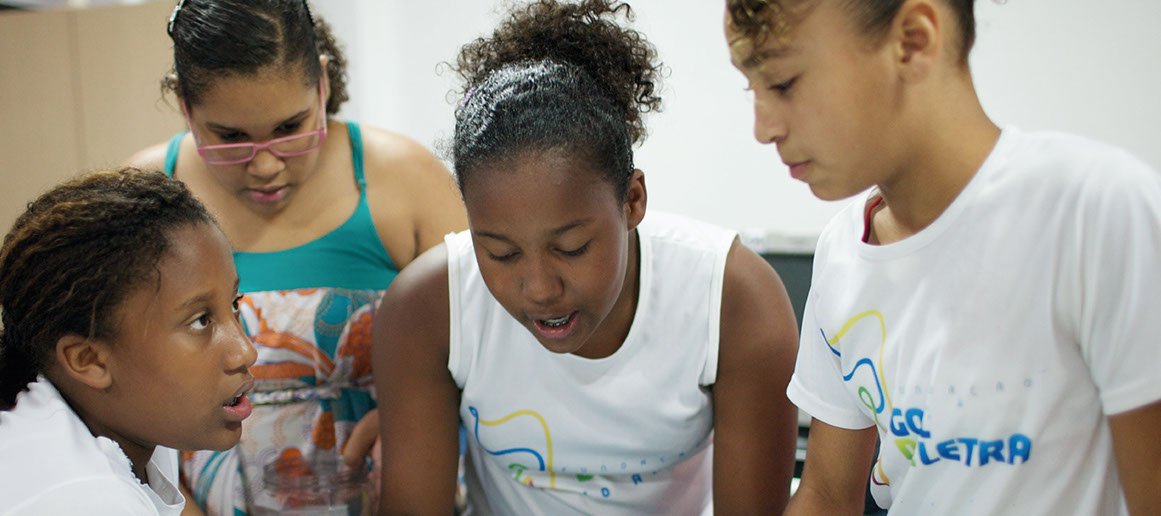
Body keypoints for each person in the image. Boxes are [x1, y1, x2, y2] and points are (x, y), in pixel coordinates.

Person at [725, 1, 1161, 514]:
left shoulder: (1094, 212)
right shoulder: (844, 250)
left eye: (783, 84)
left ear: (913, 40)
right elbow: (827, 494)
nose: (763, 128)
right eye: (751, 89)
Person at [368, 0, 800, 513]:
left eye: (571, 248)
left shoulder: (731, 297)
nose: (540, 288)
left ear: (632, 200)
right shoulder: (427, 307)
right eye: (501, 253)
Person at [126, 0, 467, 513]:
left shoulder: (405, 178)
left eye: (290, 128)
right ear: (184, 105)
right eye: (231, 137)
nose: (265, 165)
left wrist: (416, 421)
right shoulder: (146, 195)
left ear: (322, 85)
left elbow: (492, 344)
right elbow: (118, 395)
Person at [0, 168, 257, 514]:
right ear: (89, 360)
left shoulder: (128, 421)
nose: (245, 351)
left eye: (234, 304)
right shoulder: (82, 499)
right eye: (200, 321)